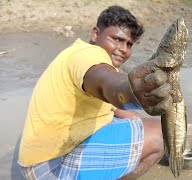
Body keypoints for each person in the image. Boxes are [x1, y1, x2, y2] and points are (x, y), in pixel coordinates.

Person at [18, 5, 173, 180]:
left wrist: (133, 115)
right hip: (49, 168)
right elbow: (107, 82)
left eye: (129, 44)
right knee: (160, 135)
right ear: (95, 34)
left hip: (40, 156)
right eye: (116, 39)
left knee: (135, 119)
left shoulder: (75, 51)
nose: (123, 49)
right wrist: (131, 91)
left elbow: (107, 97)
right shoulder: (89, 56)